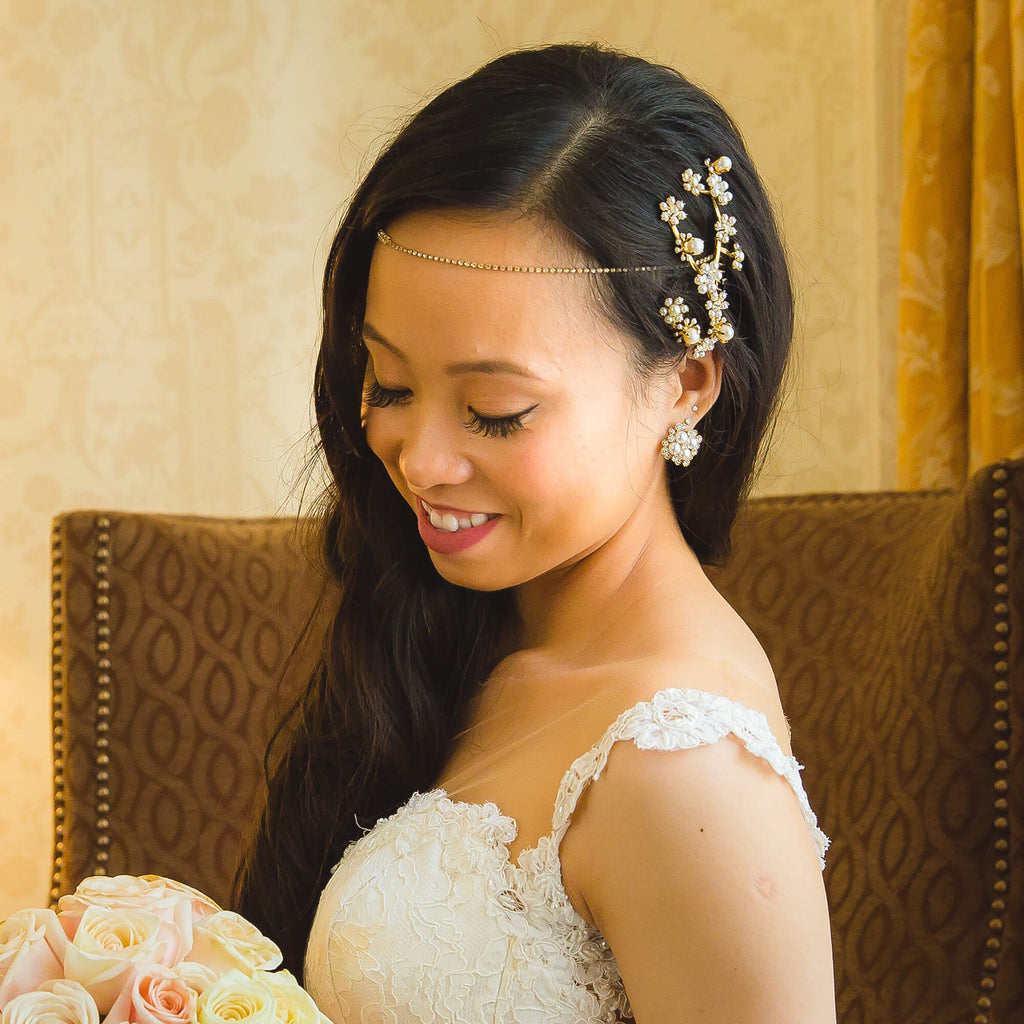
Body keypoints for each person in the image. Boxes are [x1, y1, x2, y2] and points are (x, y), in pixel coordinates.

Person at [235, 42, 836, 1024]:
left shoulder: (683, 767)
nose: (418, 458)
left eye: (497, 411)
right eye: (388, 382)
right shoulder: (479, 626)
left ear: (684, 383)